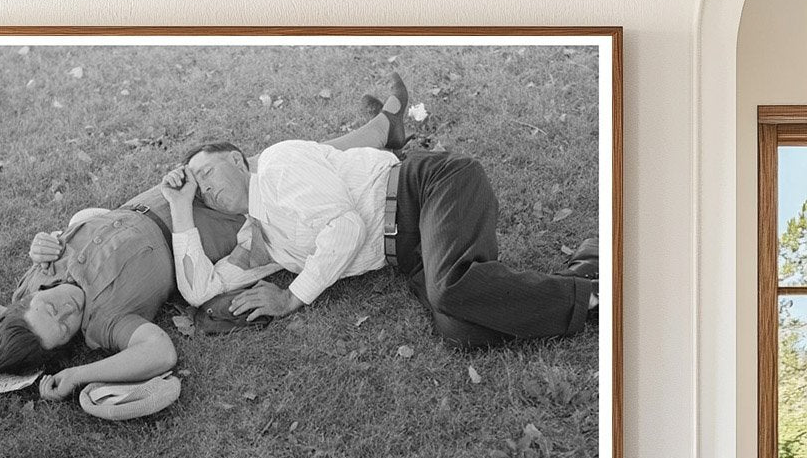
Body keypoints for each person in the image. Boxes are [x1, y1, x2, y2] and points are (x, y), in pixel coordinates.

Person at [0, 77, 410, 400]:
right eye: (63, 327)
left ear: (28, 300)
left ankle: (383, 129)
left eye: (49, 307)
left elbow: (86, 221)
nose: (65, 308)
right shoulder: (105, 324)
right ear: (68, 344)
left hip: (163, 194)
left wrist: (49, 237)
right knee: (278, 180)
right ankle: (386, 135)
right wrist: (81, 375)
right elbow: (160, 354)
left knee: (294, 160)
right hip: (205, 226)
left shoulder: (39, 274)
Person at [160, 116, 597, 348]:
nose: (208, 189)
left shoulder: (277, 165)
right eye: (200, 191)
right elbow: (200, 290)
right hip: (407, 249)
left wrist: (292, 296)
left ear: (237, 159)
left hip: (428, 187)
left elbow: (345, 228)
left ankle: (597, 296)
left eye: (205, 172)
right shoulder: (257, 240)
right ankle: (583, 272)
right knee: (463, 332)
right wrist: (181, 206)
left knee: (450, 290)